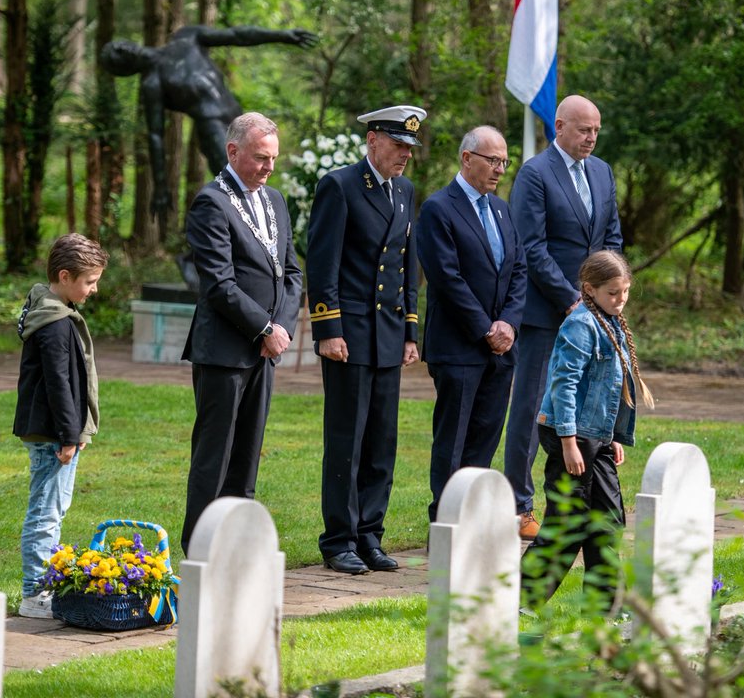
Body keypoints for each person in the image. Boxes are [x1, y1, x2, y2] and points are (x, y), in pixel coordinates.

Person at [308, 104, 424, 574]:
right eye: (398, 145)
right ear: (373, 139)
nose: (405, 156)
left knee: (382, 441)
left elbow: (407, 266)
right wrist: (328, 329)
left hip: (389, 334)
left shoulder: (405, 192)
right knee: (347, 439)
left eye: (410, 148)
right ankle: (339, 540)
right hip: (350, 333)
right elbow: (323, 263)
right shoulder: (340, 186)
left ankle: (370, 535)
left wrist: (411, 331)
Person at [180, 111, 303, 553]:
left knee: (248, 454)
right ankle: (199, 549)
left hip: (265, 350)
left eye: (273, 158)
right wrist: (264, 327)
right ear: (233, 151)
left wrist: (281, 330)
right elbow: (218, 283)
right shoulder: (211, 202)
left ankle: (234, 545)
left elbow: (291, 272)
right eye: (259, 157)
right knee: (216, 455)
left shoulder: (275, 201)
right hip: (224, 352)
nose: (269, 167)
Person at [505, 94, 624, 540]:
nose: (591, 138)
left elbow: (611, 237)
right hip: (546, 313)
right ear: (559, 127)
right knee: (533, 409)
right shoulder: (535, 174)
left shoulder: (602, 172)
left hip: (594, 313)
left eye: (596, 130)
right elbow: (531, 246)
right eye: (583, 129)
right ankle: (519, 504)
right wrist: (573, 300)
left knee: (591, 398)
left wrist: (605, 295)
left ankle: (588, 488)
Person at [520, 250, 654, 611]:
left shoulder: (611, 322)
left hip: (594, 435)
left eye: (624, 292)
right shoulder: (580, 324)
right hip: (571, 436)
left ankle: (604, 608)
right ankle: (521, 600)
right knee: (568, 524)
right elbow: (564, 384)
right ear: (589, 289)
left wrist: (611, 437)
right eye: (613, 293)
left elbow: (609, 389)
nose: (620, 300)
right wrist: (568, 443)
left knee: (607, 522)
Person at [416, 126, 527, 521]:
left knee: (485, 435)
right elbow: (446, 279)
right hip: (459, 346)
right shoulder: (438, 208)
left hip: (502, 347)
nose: (499, 169)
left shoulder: (500, 208)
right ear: (467, 159)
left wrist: (509, 325)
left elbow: (518, 270)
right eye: (492, 160)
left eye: (504, 162)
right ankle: (445, 521)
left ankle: (473, 515)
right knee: (453, 439)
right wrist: (487, 329)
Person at [99, 25, 318, 214]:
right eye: (115, 56)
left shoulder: (187, 37)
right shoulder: (153, 84)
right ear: (124, 70)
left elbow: (237, 36)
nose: (120, 49)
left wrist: (282, 35)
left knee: (258, 177)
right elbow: (155, 137)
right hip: (213, 128)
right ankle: (231, 245)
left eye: (117, 45)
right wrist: (161, 186)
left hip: (240, 118)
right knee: (238, 184)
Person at [13, 233, 110, 619]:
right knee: (45, 513)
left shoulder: (54, 310)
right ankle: (35, 594)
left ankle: (45, 587)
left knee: (53, 508)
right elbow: (59, 383)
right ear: (66, 276)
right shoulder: (54, 322)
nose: (94, 288)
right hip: (53, 433)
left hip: (55, 431)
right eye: (90, 281)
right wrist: (70, 435)